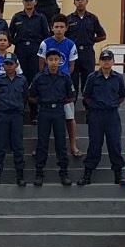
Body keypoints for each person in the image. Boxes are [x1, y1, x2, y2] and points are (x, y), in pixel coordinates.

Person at [80, 49, 125, 186]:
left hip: (112, 115)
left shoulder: (118, 78)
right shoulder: (92, 77)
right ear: (99, 61)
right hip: (96, 115)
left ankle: (118, 175)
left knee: (115, 144)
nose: (106, 62)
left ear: (113, 61)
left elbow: (122, 95)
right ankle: (87, 174)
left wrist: (112, 104)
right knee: (94, 144)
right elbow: (86, 96)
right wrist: (95, 106)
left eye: (109, 59)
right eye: (103, 59)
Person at [28, 49, 75, 186]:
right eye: (50, 60)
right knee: (42, 143)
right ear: (46, 61)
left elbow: (72, 95)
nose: (53, 62)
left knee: (61, 144)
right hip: (44, 112)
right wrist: (43, 102)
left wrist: (59, 102)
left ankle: (64, 173)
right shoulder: (39, 77)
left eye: (56, 59)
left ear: (60, 61)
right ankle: (39, 173)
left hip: (59, 112)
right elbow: (30, 95)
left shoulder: (65, 77)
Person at [38, 15, 83, 158]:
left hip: (64, 84)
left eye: (61, 27)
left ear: (66, 28)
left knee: (69, 117)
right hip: (47, 84)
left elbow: (71, 67)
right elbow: (41, 65)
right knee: (44, 118)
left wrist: (61, 78)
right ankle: (40, 147)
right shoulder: (45, 43)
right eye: (56, 27)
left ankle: (73, 145)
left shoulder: (71, 44)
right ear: (52, 28)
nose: (59, 29)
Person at [9, 0, 50, 124]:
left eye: (30, 0)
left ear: (35, 2)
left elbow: (46, 36)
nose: (28, 3)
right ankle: (19, 110)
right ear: (23, 2)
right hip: (20, 51)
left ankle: (34, 113)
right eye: (26, 0)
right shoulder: (17, 17)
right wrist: (18, 42)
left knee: (34, 80)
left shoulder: (41, 18)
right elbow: (10, 35)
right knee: (20, 79)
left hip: (35, 52)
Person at [0, 53, 28, 186]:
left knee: (18, 146)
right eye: (6, 64)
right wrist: (1, 107)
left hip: (17, 115)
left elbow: (25, 97)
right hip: (3, 115)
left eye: (11, 64)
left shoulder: (22, 80)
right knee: (0, 146)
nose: (8, 66)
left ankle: (20, 176)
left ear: (16, 65)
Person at [67, 0, 107, 101]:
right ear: (74, 2)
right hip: (73, 53)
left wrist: (90, 40)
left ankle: (88, 106)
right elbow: (64, 37)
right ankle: (72, 105)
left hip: (88, 53)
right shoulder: (69, 19)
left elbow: (103, 35)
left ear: (87, 1)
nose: (80, 2)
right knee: (73, 81)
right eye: (77, 0)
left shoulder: (92, 18)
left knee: (88, 80)